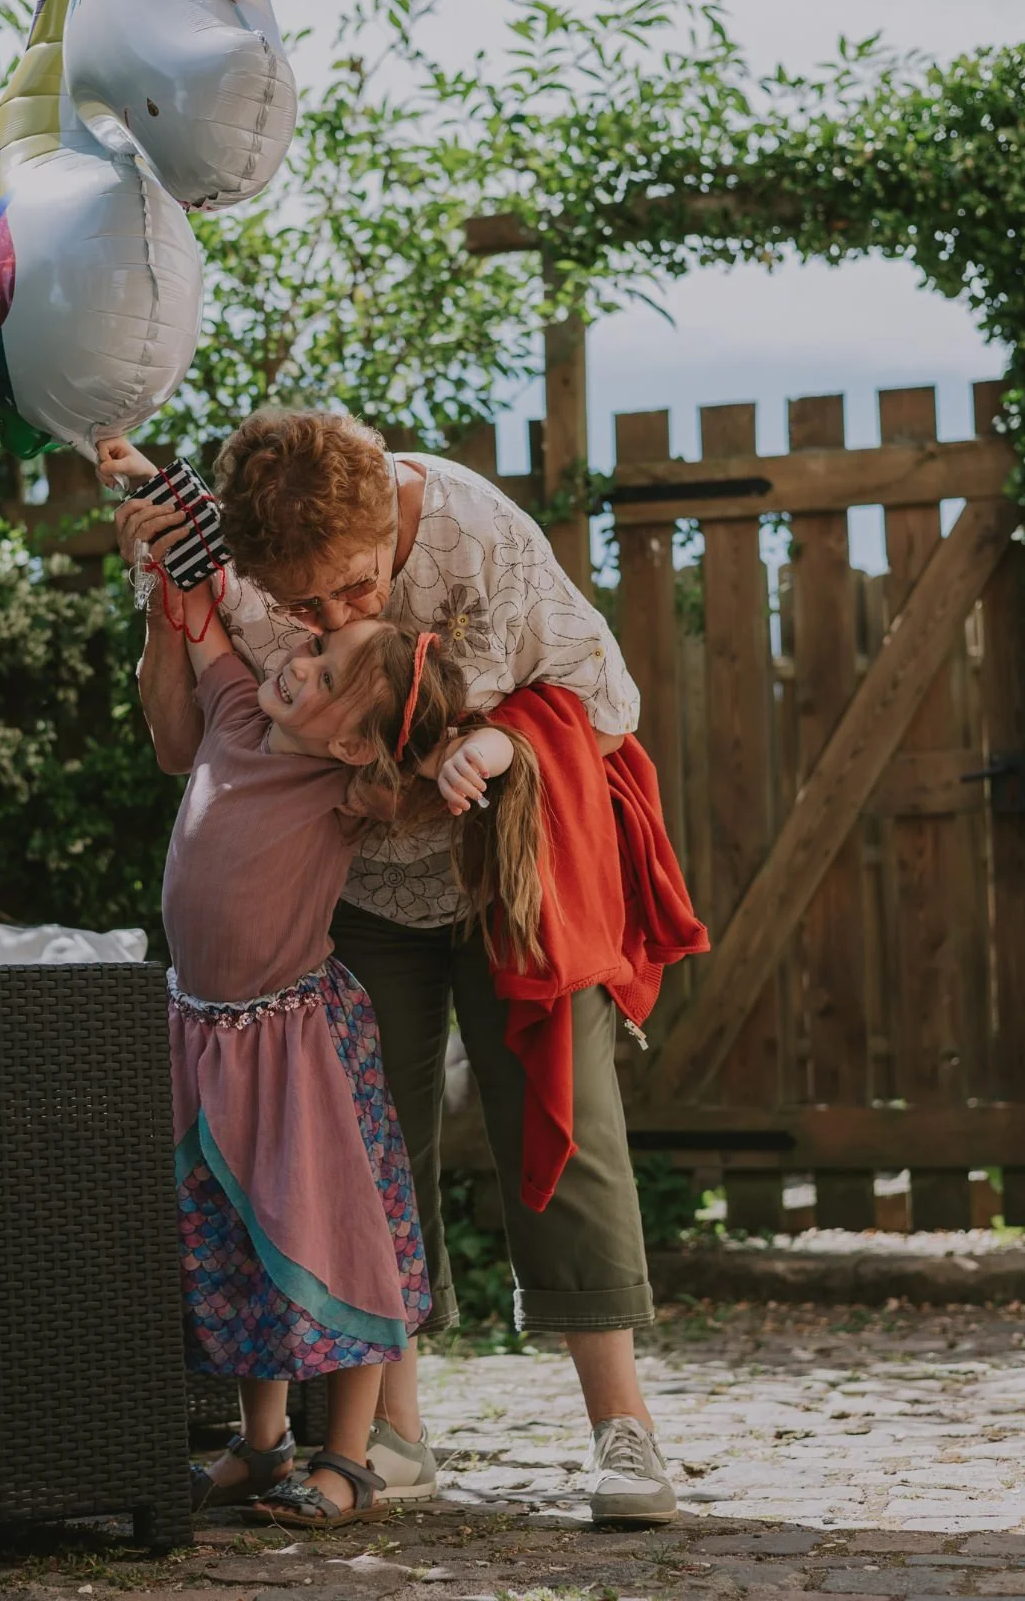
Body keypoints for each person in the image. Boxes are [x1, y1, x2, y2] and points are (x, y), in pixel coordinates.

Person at [107, 412, 679, 1525]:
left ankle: (622, 1433)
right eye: (299, 608)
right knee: (367, 1156)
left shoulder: (470, 526)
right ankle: (395, 1438)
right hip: (352, 894)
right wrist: (164, 613)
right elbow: (186, 743)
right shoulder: (230, 562)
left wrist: (496, 740)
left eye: (351, 588)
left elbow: (605, 698)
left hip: (508, 866)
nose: (325, 619)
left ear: (389, 520)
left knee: (564, 1130)